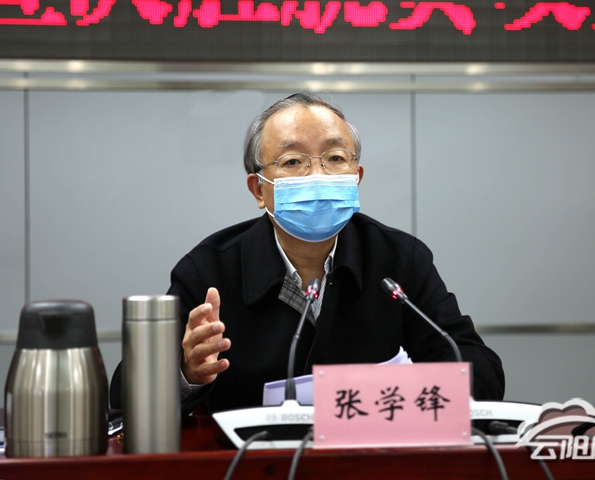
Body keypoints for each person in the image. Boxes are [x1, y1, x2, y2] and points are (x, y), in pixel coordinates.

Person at [109, 92, 505, 414]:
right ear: (258, 189)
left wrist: (415, 386)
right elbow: (124, 395)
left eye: (335, 158)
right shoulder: (209, 269)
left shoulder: (400, 259)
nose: (317, 174)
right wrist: (185, 372)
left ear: (356, 177)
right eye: (293, 161)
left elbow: (482, 370)